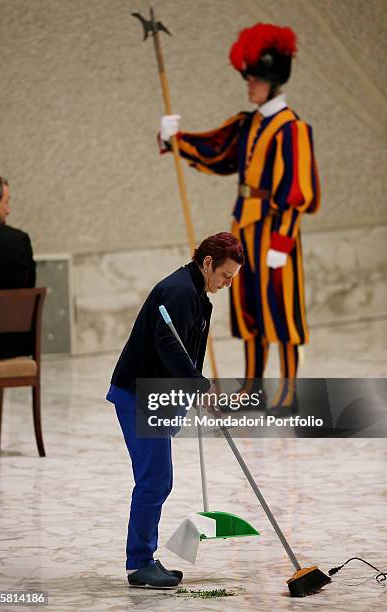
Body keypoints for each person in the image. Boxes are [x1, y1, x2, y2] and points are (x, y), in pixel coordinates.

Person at [160, 23, 320, 412]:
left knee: (281, 311)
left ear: (273, 80)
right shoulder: (249, 123)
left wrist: (282, 242)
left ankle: (288, 390)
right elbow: (219, 152)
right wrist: (176, 140)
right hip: (245, 228)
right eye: (248, 76)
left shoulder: (293, 129)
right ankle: (252, 387)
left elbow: (297, 191)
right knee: (249, 309)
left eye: (256, 78)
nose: (249, 83)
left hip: (275, 231)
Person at [106, 232, 244, 588]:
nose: (228, 284)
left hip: (155, 396)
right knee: (155, 480)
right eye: (225, 275)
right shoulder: (180, 291)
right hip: (139, 396)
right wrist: (198, 385)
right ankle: (139, 564)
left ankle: (144, 559)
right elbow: (168, 345)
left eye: (233, 279)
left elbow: (186, 351)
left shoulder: (197, 295)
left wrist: (197, 387)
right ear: (208, 263)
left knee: (157, 480)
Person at [0, 174, 36, 430]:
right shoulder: (19, 240)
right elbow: (29, 286)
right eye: (7, 201)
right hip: (10, 344)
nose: (9, 209)